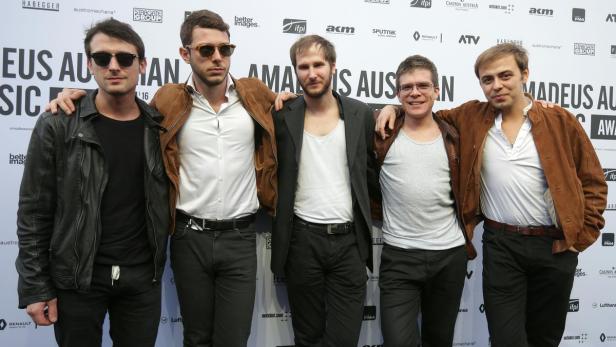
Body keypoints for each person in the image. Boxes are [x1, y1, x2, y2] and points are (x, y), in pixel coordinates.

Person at [46, 9, 293, 347]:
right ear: (185, 53)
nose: (218, 58)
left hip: (240, 239)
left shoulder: (254, 94)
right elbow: (121, 109)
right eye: (206, 50)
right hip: (189, 238)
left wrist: (391, 108)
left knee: (235, 338)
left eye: (225, 49)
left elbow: (292, 109)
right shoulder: (168, 99)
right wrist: (77, 95)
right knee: (195, 337)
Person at [377, 43, 607, 347]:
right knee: (505, 339)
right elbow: (422, 112)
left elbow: (593, 180)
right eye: (487, 79)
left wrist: (580, 237)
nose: (496, 85)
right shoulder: (472, 117)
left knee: (545, 338)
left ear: (525, 74)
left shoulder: (559, 120)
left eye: (505, 76)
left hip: (555, 247)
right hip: (502, 246)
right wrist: (389, 108)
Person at [16, 18, 169, 347]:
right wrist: (35, 287)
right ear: (89, 64)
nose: (113, 66)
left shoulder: (160, 128)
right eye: (102, 58)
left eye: (125, 58)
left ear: (142, 65)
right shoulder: (58, 123)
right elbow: (33, 212)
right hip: (77, 279)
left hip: (142, 279)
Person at [271, 35, 377, 347]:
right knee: (307, 337)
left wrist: (395, 109)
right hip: (302, 241)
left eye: (319, 64)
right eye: (303, 67)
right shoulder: (282, 115)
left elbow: (374, 169)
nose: (312, 73)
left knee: (344, 339)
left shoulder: (360, 114)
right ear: (296, 71)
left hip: (349, 244)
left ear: (332, 66)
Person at [372, 55, 475, 347]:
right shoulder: (382, 133)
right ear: (397, 93)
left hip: (449, 256)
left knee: (439, 340)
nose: (414, 93)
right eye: (406, 88)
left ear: (437, 91)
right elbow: (332, 108)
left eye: (422, 86)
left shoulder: (454, 134)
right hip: (399, 257)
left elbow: (493, 109)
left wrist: (534, 102)